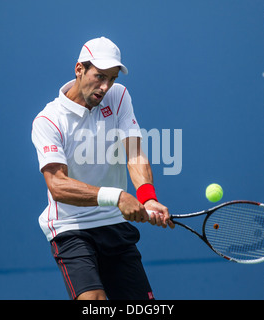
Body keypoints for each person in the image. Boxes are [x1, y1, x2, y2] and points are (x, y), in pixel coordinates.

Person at [31, 36, 174, 300]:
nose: (105, 87)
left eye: (112, 79)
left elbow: (134, 152)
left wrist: (148, 197)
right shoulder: (48, 120)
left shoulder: (118, 97)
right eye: (99, 77)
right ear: (79, 69)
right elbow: (58, 185)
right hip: (70, 227)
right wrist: (117, 196)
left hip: (113, 223)